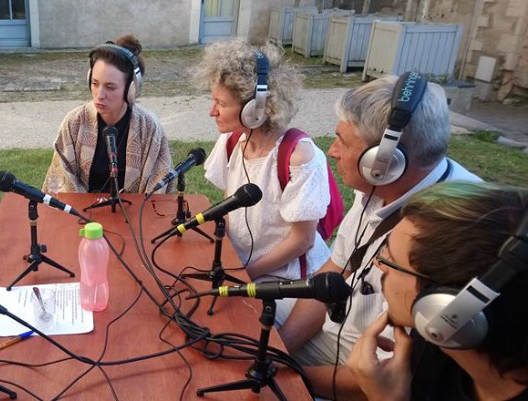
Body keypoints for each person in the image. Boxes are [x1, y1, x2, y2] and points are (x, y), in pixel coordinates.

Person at [277, 73, 482, 400]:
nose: (332, 150)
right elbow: (336, 269)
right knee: (237, 325)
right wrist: (279, 349)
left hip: (369, 372)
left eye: (342, 141)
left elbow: (388, 379)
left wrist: (281, 376)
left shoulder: (452, 238)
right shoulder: (378, 184)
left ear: (385, 161)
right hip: (336, 332)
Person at [348, 181, 528, 401]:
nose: (378, 263)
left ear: (447, 306)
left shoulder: (440, 328)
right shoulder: (438, 338)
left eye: (392, 261)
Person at [195, 38, 331, 281]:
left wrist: (244, 274)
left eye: (221, 103)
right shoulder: (230, 142)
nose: (211, 112)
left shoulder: (299, 157)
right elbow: (231, 211)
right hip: (243, 267)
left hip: (288, 279)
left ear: (256, 109)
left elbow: (303, 240)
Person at [41, 34, 173, 194]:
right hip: (80, 210)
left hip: (135, 210)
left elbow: (157, 190)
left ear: (131, 90)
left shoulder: (149, 128)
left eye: (110, 87)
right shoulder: (75, 122)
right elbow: (61, 183)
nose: (100, 95)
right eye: (95, 83)